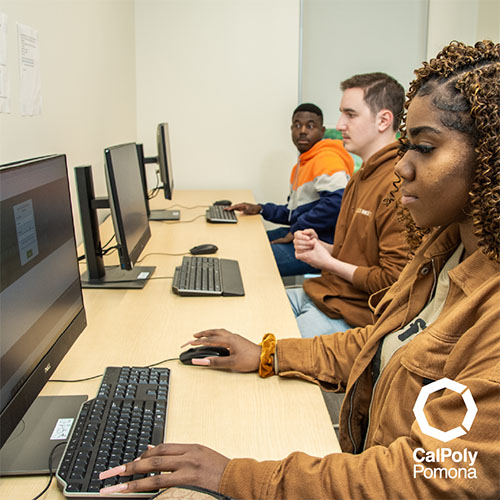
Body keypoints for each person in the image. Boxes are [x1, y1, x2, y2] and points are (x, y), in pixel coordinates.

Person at [99, 41, 500, 499]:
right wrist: (267, 355)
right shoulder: (444, 250)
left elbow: (420, 479)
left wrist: (233, 475)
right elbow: (377, 347)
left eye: (425, 148)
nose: (404, 166)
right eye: (408, 145)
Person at [288, 73, 409, 338]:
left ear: (383, 120)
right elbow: (356, 254)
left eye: (350, 115)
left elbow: (392, 282)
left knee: (266, 354)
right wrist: (322, 248)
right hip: (325, 295)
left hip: (351, 315)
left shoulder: (399, 184)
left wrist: (327, 262)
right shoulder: (361, 176)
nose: (340, 124)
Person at [228, 103, 354, 277]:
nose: (302, 130)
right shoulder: (302, 165)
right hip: (303, 234)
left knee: (253, 260)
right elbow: (292, 213)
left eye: (310, 126)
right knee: (248, 243)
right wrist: (261, 209)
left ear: (322, 131)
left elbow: (337, 203)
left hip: (320, 243)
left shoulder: (327, 159)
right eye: (297, 125)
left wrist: (296, 229)